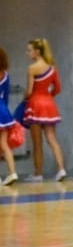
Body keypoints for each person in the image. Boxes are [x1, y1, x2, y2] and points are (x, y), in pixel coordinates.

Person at [22, 38, 66, 182]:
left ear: (37, 52)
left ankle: (38, 173)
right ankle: (61, 169)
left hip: (35, 104)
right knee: (52, 139)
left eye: (29, 50)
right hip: (49, 104)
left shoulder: (32, 68)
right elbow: (58, 88)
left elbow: (29, 91)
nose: (27, 53)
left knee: (37, 142)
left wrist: (25, 99)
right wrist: (48, 97)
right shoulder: (53, 68)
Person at [0, 47, 20, 185]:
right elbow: (5, 96)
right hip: (3, 110)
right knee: (4, 144)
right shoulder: (5, 74)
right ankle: (12, 172)